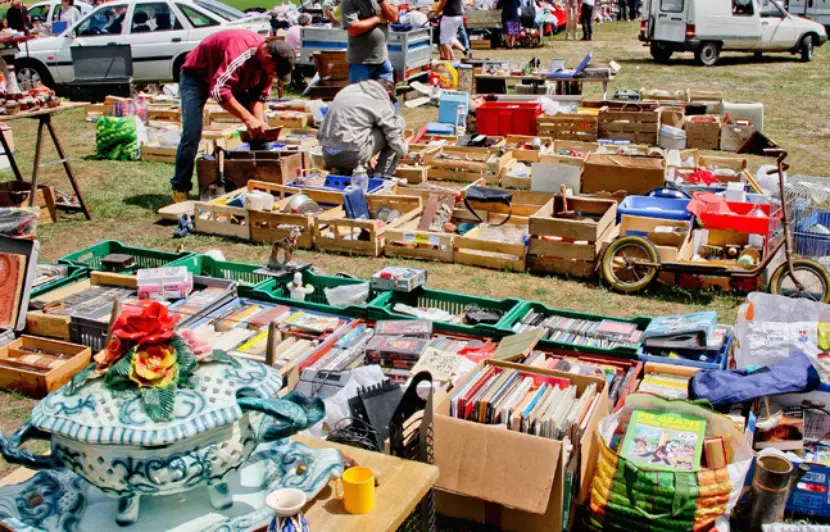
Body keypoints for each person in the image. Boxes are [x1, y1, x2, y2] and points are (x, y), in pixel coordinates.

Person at [169, 30, 295, 202]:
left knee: (261, 130)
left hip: (226, 80)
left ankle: (263, 184)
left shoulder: (267, 64)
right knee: (192, 133)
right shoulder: (240, 52)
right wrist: (247, 119)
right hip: (196, 77)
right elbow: (219, 91)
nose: (272, 76)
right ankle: (180, 187)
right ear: (268, 59)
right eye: (274, 72)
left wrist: (258, 123)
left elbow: (258, 97)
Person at [317, 79, 407, 177]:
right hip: (352, 155)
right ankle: (381, 174)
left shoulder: (348, 90)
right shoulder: (380, 99)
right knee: (398, 123)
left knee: (358, 130)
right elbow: (393, 135)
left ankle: (344, 170)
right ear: (388, 93)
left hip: (327, 155)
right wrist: (404, 150)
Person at [341, 0, 398, 83]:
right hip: (360, 63)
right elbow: (353, 29)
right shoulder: (349, 2)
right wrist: (377, 19)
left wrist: (381, 2)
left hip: (382, 60)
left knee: (385, 94)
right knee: (361, 95)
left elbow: (394, 17)